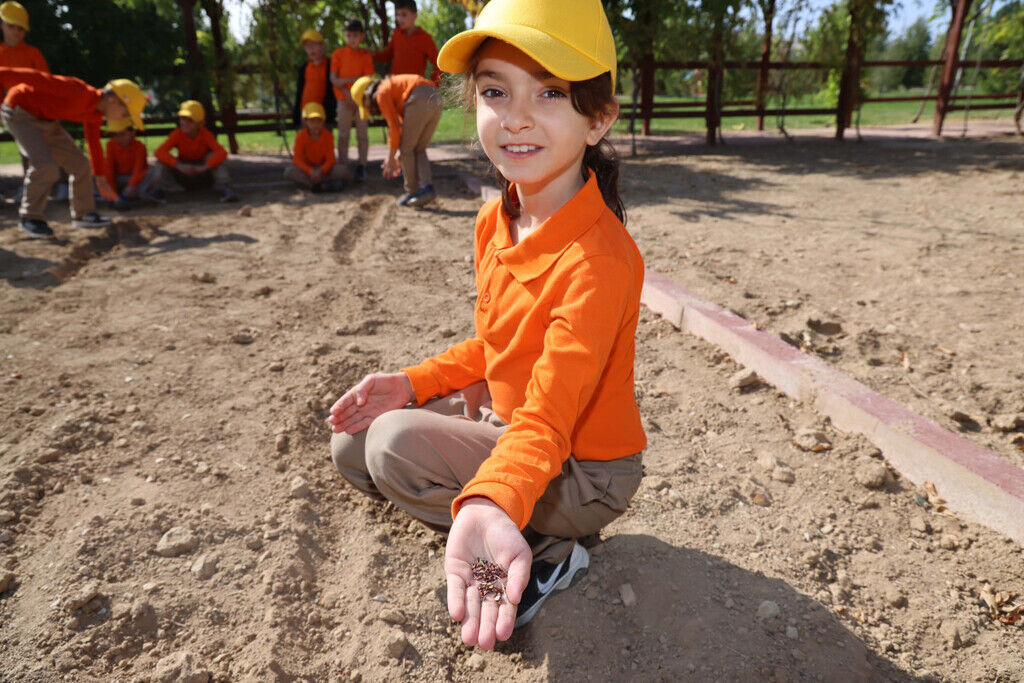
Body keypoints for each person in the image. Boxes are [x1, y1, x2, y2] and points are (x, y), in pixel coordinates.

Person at [328, 0, 643, 651]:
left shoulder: (602, 258)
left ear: (598, 118)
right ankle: (503, 510)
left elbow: (554, 413)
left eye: (550, 91)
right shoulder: (493, 220)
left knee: (390, 446)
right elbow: (497, 342)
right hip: (515, 423)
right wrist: (411, 383)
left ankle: (549, 549)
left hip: (583, 467)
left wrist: (492, 499)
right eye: (496, 90)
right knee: (354, 443)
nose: (517, 116)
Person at [0, 68, 146, 238]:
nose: (124, 119)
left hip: (46, 120)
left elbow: (94, 144)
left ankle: (83, 214)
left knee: (81, 164)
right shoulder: (77, 91)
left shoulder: (96, 113)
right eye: (126, 113)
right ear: (114, 100)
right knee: (45, 164)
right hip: (19, 112)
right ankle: (29, 218)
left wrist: (100, 178)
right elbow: (34, 78)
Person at [350, 73, 441, 207]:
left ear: (366, 95)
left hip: (418, 98)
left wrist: (391, 157)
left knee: (407, 149)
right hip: (435, 98)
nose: (369, 109)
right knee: (418, 148)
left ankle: (412, 192)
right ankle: (427, 188)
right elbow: (401, 127)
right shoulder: (391, 87)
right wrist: (397, 151)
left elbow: (393, 127)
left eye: (365, 104)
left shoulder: (382, 92)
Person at [150, 100, 238, 203]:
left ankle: (226, 188)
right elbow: (159, 152)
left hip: (204, 176)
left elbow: (222, 153)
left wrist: (203, 168)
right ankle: (157, 191)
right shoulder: (176, 134)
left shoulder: (206, 135)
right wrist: (179, 166)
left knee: (212, 156)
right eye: (182, 118)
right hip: (183, 174)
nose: (185, 122)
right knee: (162, 161)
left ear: (200, 123)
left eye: (190, 120)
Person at [329, 18, 374, 182]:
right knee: (343, 135)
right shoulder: (338, 54)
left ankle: (362, 166)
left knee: (362, 134)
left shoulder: (365, 55)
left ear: (362, 36)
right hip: (343, 100)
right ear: (345, 36)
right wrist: (352, 83)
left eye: (355, 35)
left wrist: (347, 82)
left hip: (362, 100)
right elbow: (334, 79)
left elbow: (367, 80)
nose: (352, 39)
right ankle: (342, 167)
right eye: (349, 35)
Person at [373, 0, 441, 86]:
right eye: (397, 14)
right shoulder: (396, 34)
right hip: (394, 87)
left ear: (415, 15)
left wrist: (434, 85)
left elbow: (438, 63)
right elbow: (387, 56)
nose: (399, 18)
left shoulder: (425, 38)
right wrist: (373, 54)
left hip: (414, 89)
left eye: (404, 14)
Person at [285, 101, 347, 193]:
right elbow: (297, 160)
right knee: (289, 172)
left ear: (323, 121)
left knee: (343, 170)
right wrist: (310, 171)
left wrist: (321, 171)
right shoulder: (301, 136)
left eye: (319, 121)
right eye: (312, 121)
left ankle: (314, 185)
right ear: (305, 121)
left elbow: (331, 159)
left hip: (323, 170)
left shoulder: (328, 136)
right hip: (308, 170)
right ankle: (321, 186)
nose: (316, 124)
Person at [292, 28, 336, 129]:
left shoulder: (330, 66)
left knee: (323, 143)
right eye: (307, 46)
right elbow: (299, 92)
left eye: (314, 45)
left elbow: (332, 94)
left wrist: (329, 115)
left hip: (323, 116)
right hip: (305, 116)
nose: (311, 49)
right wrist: (296, 116)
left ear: (323, 46)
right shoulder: (304, 68)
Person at [103, 118, 149, 210]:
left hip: (133, 180)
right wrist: (112, 193)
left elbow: (138, 169)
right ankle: (117, 197)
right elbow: (109, 170)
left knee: (151, 174)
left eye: (122, 134)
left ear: (133, 133)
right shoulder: (110, 145)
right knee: (97, 177)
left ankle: (131, 195)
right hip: (118, 178)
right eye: (115, 135)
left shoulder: (140, 147)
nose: (118, 138)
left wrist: (132, 186)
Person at [0, 2, 47, 75]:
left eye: (20, 28)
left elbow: (45, 81)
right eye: (11, 26)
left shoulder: (34, 53)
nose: (16, 31)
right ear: (1, 25)